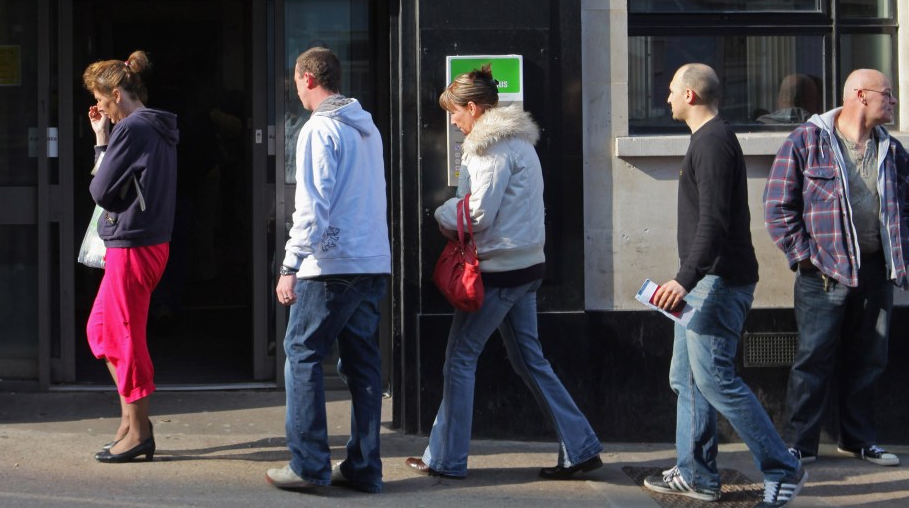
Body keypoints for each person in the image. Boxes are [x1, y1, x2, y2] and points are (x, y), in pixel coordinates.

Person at [405, 65, 604, 481]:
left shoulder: (487, 149)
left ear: (473, 109)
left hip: (498, 272)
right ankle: (581, 446)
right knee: (530, 360)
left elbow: (476, 214)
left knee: (460, 359)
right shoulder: (518, 142)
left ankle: (446, 459)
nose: (453, 122)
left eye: (455, 113)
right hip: (527, 266)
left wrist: (441, 213)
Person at [645, 64, 805, 507]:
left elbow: (714, 222)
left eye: (673, 91)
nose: (667, 99)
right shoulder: (707, 140)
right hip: (705, 282)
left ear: (692, 96)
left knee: (714, 380)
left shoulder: (712, 143)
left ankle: (783, 467)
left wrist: (684, 279)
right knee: (686, 379)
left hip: (717, 283)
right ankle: (698, 475)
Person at [763, 68, 905, 467]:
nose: (892, 102)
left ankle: (858, 440)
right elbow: (777, 205)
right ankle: (799, 443)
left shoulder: (891, 150)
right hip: (822, 275)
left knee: (869, 359)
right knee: (813, 359)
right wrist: (804, 256)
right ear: (860, 95)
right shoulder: (808, 140)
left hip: (876, 269)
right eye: (887, 95)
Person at [265, 47, 391, 493]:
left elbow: (312, 205)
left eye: (296, 81)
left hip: (331, 265)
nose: (295, 89)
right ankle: (363, 467)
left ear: (307, 78)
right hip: (371, 259)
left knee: (301, 354)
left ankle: (309, 465)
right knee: (362, 366)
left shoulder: (318, 129)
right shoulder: (366, 126)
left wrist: (290, 264)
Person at [83, 50, 179, 463]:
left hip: (133, 244)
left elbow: (100, 190)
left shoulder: (132, 129)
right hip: (145, 242)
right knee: (102, 330)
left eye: (102, 101)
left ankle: (138, 431)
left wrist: (102, 141)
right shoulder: (154, 125)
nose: (101, 109)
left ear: (118, 94)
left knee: (123, 335)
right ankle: (130, 421)